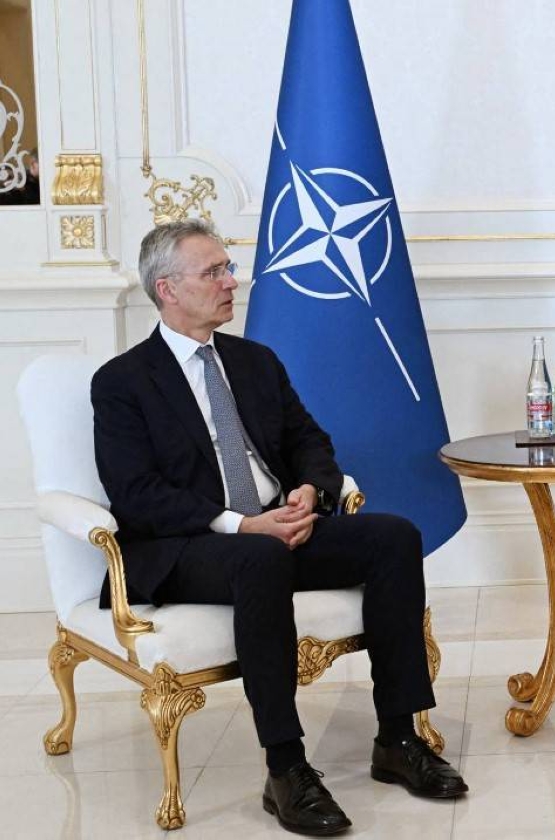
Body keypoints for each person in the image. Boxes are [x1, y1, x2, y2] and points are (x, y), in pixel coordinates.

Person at [91, 219, 467, 837]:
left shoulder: (254, 360)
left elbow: (307, 440)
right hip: (191, 545)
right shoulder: (123, 382)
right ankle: (286, 768)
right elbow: (137, 495)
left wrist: (307, 493)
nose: (230, 280)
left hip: (282, 525)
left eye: (227, 267)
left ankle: (398, 738)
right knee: (259, 559)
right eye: (213, 271)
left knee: (393, 536)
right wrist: (245, 525)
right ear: (167, 288)